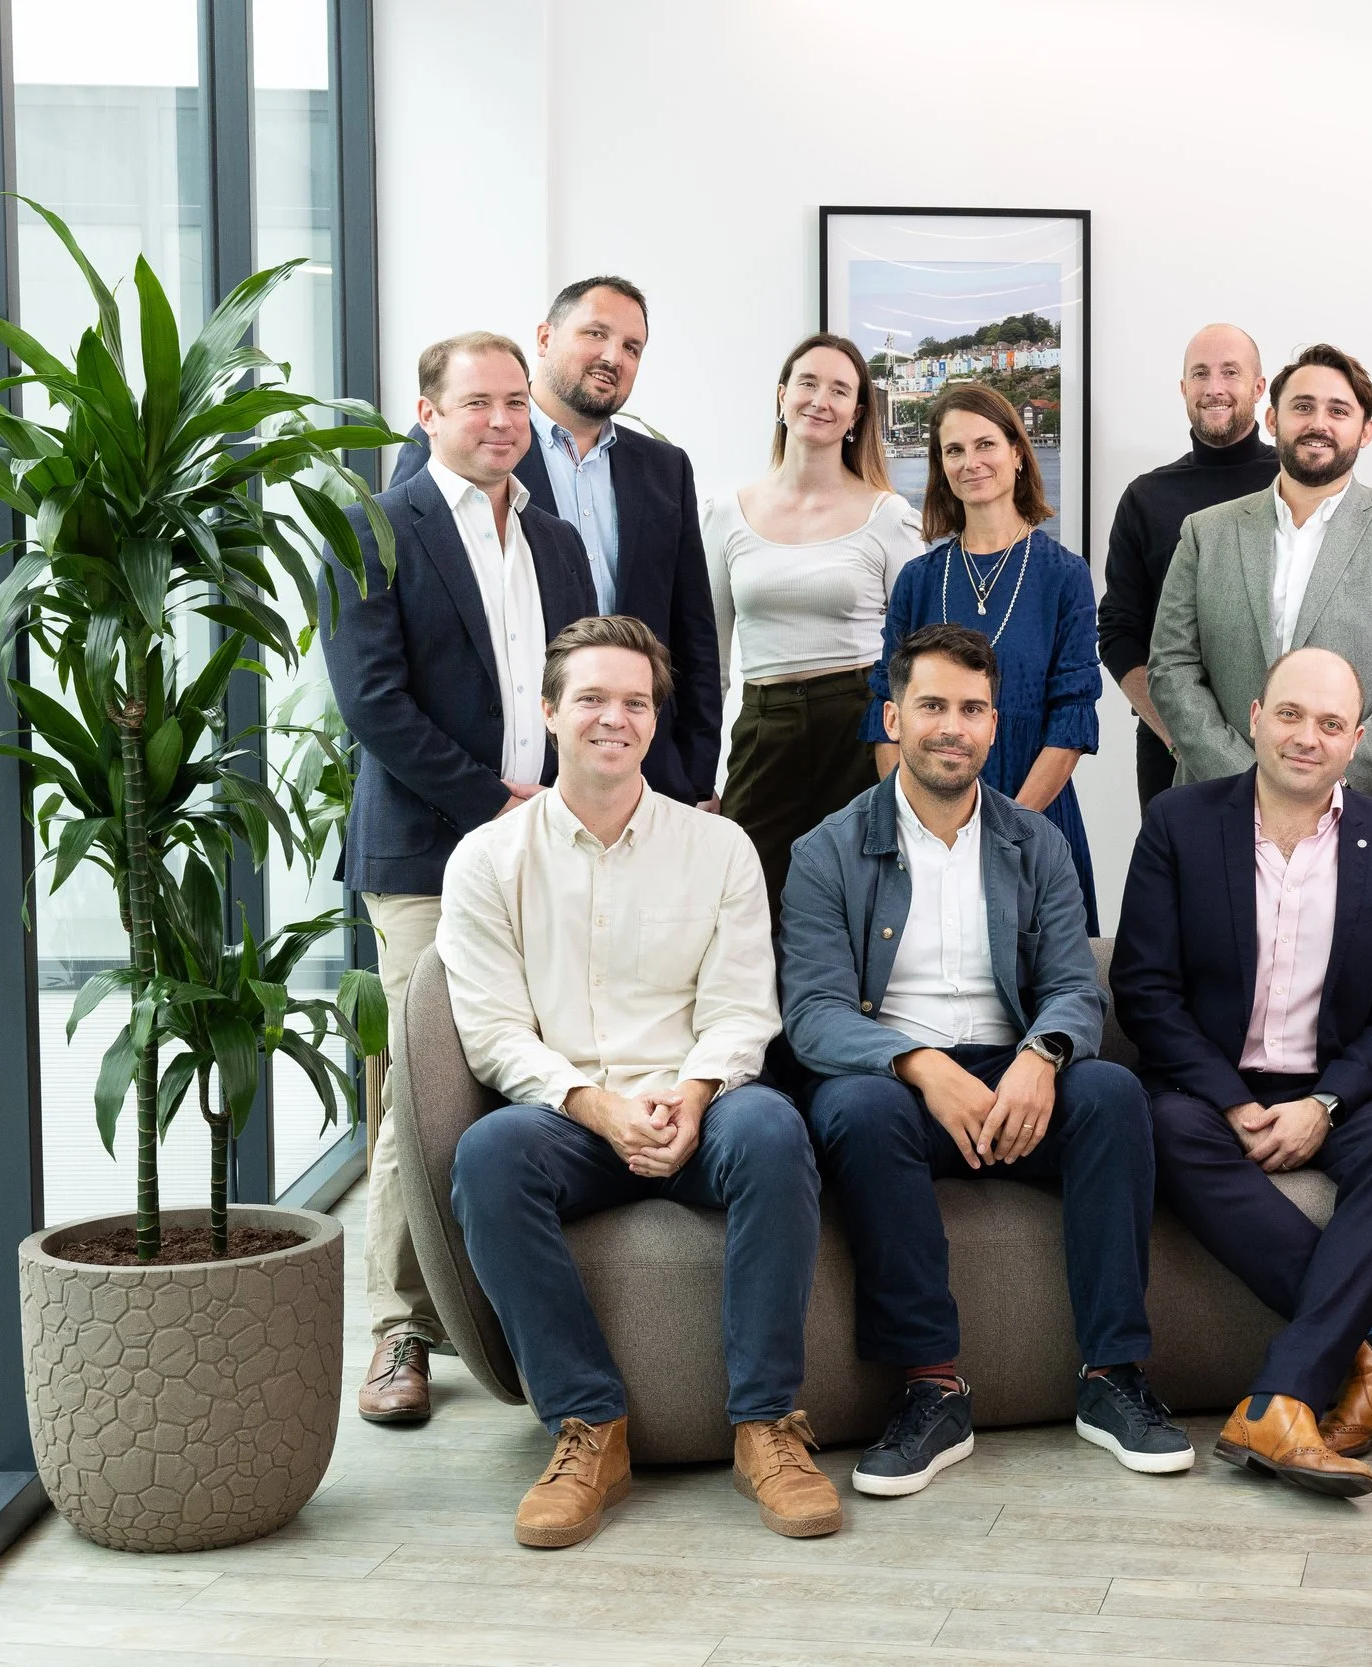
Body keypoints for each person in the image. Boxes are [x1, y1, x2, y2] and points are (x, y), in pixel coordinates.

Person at [439, 616, 837, 1547]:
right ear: (548, 712)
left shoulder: (720, 848)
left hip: (698, 1105)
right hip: (567, 1117)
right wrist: (595, 1105)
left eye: (635, 701)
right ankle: (589, 1427)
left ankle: (766, 1425)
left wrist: (693, 1095)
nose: (613, 718)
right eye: (591, 699)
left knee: (777, 1131)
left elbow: (742, 1011)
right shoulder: (487, 859)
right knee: (486, 1156)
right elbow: (493, 1030)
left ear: (655, 720)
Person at [784, 623, 1191, 1496]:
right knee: (855, 1110)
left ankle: (1112, 1379)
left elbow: (1075, 988)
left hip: (1015, 1085)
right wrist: (921, 1064)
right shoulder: (824, 851)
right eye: (931, 705)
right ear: (893, 717)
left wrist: (1042, 1058)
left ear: (994, 726)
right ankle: (932, 1390)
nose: (951, 726)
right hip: (896, 1090)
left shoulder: (1035, 842)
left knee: (1113, 1093)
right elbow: (811, 1013)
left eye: (972, 709)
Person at [319, 331, 599, 1426]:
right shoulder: (376, 528)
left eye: (516, 404)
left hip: (552, 848)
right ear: (426, 412)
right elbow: (373, 703)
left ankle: (518, 1308)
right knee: (419, 1089)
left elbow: (584, 682)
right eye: (477, 402)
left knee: (547, 1058)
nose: (501, 422)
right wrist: (493, 803)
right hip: (432, 857)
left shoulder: (558, 539)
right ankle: (399, 1329)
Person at [1111, 647, 1372, 1499]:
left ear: (1356, 739)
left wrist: (1325, 1105)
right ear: (1255, 716)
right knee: (1158, 1124)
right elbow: (1145, 989)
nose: (1307, 736)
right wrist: (1227, 1098)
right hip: (1211, 1085)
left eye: (1331, 723)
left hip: (1338, 1086)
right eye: (1291, 714)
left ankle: (1282, 1393)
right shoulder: (1179, 824)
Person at [393, 276, 721, 807]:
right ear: (544, 338)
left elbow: (694, 634)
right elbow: (417, 607)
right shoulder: (466, 444)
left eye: (631, 347)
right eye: (595, 333)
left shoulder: (665, 469)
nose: (612, 356)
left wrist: (696, 773)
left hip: (647, 771)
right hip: (512, 775)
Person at [1149, 343, 1372, 862]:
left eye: (1338, 411)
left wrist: (1327, 777)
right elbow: (1172, 666)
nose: (1318, 423)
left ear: (1366, 430)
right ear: (1273, 419)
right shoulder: (1207, 532)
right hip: (1222, 811)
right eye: (1302, 407)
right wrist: (1249, 783)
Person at [865, 384, 1103, 930]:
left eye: (985, 445)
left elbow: (1071, 722)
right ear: (941, 466)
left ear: (1018, 453)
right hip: (923, 828)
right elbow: (886, 712)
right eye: (953, 451)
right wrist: (919, 823)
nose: (970, 463)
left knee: (1043, 986)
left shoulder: (1065, 576)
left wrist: (1004, 830)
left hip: (1033, 819)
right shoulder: (917, 580)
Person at [704, 333, 923, 909]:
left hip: (857, 725)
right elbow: (712, 661)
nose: (819, 399)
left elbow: (917, 655)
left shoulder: (889, 516)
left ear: (856, 413)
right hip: (764, 726)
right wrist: (701, 775)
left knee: (855, 903)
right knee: (747, 903)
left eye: (839, 389)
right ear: (781, 396)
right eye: (807, 382)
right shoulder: (725, 513)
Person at [1100, 323, 1279, 812]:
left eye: (1230, 373)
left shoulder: (1294, 483)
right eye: (1200, 374)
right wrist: (1180, 736)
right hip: (1170, 750)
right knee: (1180, 887)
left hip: (1286, 752)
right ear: (1183, 389)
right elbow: (1119, 632)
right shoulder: (1146, 497)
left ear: (1259, 387)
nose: (1213, 388)